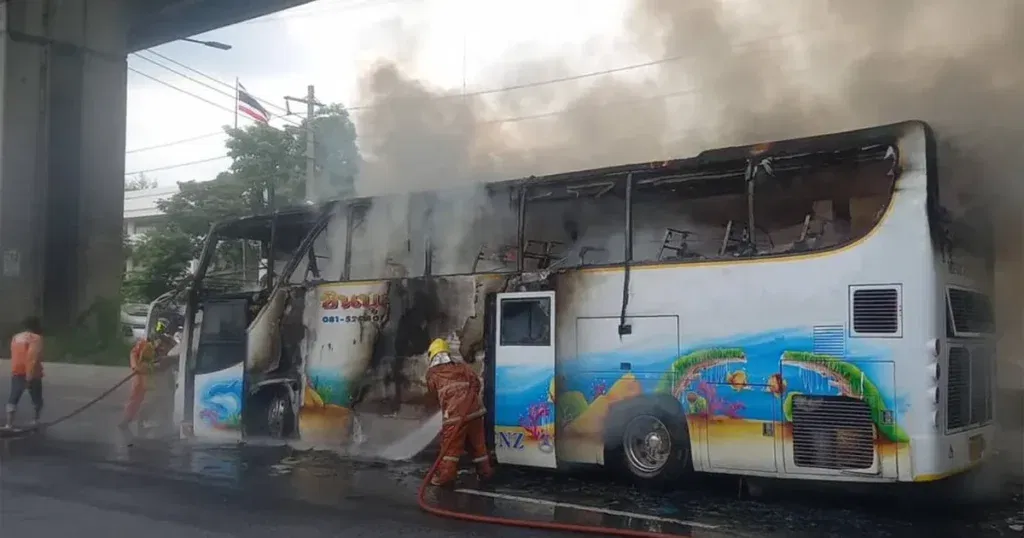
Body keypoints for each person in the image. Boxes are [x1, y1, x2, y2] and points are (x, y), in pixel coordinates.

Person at [424, 338, 494, 487]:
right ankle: (485, 473)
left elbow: (432, 396)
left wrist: (443, 408)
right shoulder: (462, 367)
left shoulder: (432, 373)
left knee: (450, 448)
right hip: (475, 412)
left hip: (455, 416)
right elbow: (476, 382)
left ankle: (446, 477)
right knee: (478, 446)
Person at [118, 318, 175, 434]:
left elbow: (172, 358)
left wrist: (163, 363)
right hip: (142, 373)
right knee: (136, 396)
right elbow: (134, 354)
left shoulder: (170, 344)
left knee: (160, 397)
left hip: (158, 374)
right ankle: (127, 420)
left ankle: (162, 421)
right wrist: (136, 367)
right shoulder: (145, 343)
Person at [4, 316, 44, 429]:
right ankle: (36, 420)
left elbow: (15, 355)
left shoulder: (16, 337)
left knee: (14, 397)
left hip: (17, 371)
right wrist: (29, 376)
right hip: (33, 373)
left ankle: (9, 424)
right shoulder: (36, 338)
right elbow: (32, 357)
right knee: (36, 398)